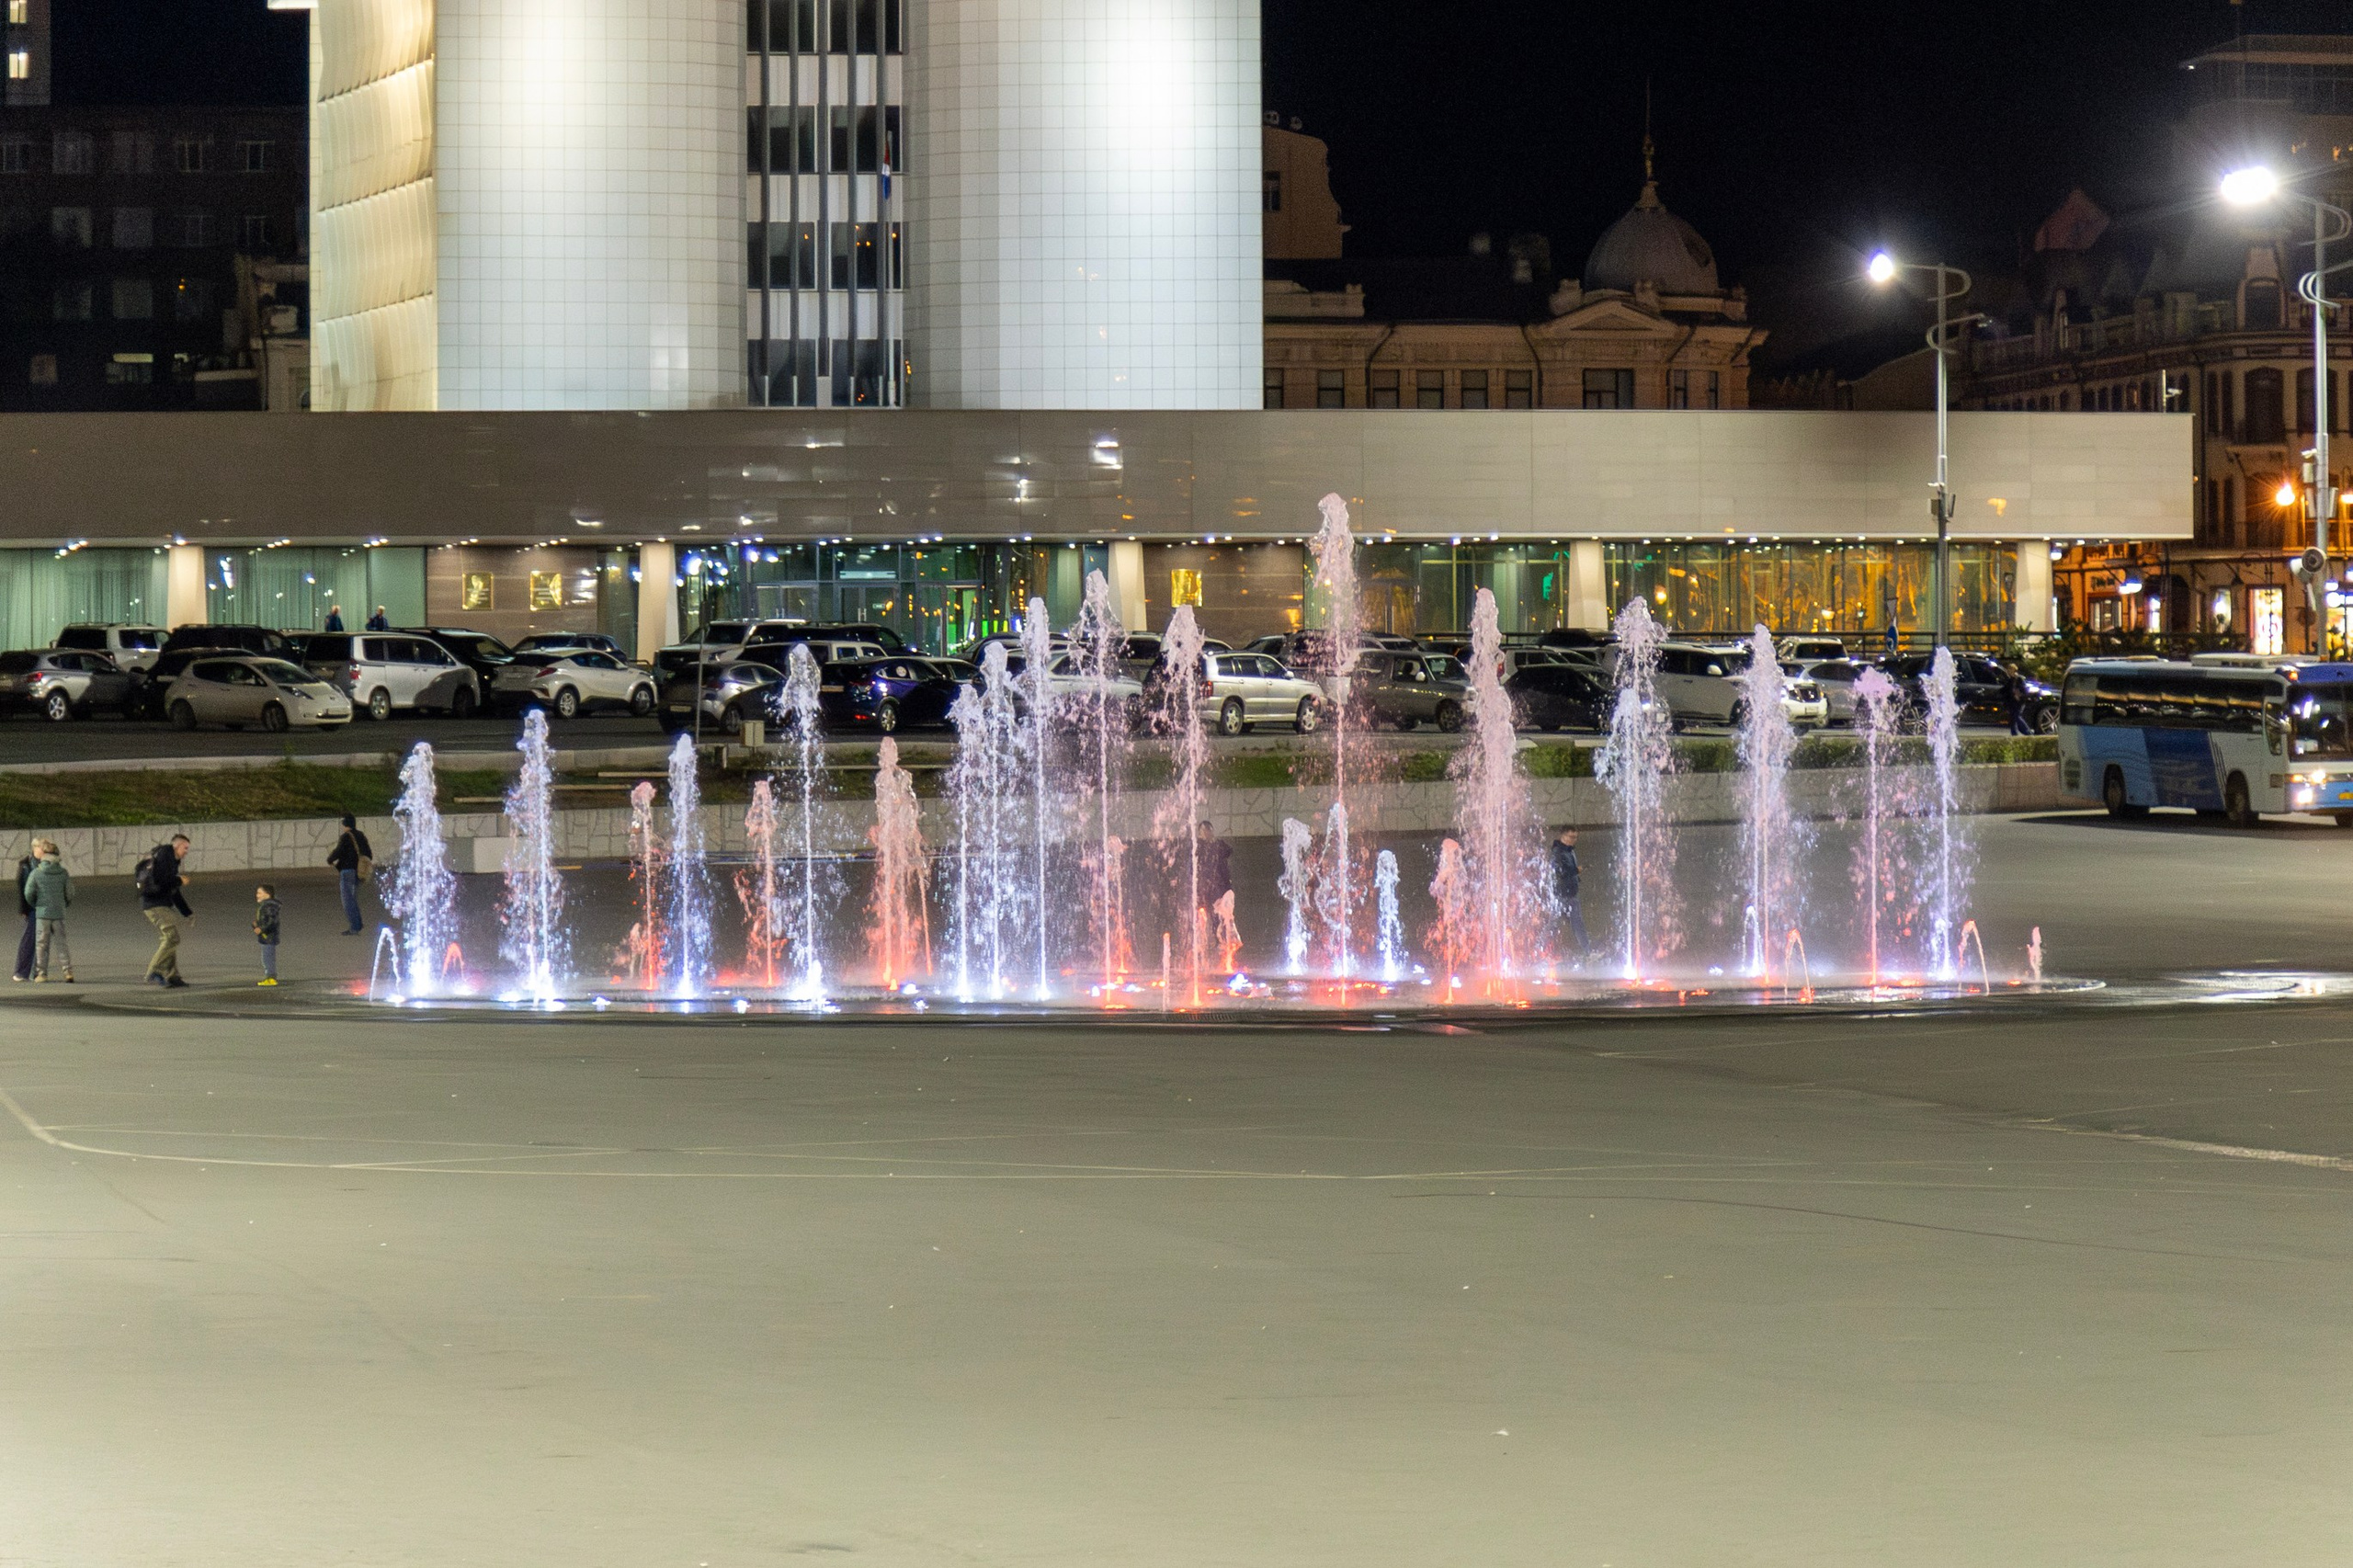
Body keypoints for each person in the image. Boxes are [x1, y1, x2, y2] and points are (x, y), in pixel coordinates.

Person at [139, 833, 193, 989]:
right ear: (176, 846)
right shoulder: (164, 857)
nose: (186, 851)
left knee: (169, 940)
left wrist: (186, 912)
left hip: (158, 903)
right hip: (154, 904)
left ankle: (172, 976)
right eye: (185, 847)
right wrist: (179, 880)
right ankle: (154, 971)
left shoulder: (170, 860)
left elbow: (172, 890)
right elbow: (161, 881)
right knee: (172, 938)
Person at [25, 839, 73, 983]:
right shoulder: (63, 873)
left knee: (41, 945)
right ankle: (67, 971)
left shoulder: (36, 873)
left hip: (43, 914)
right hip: (58, 913)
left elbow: (28, 893)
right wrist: (64, 904)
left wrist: (36, 905)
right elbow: (70, 893)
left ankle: (42, 973)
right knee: (62, 943)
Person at [328, 813, 373, 936]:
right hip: (359, 872)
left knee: (348, 901)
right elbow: (369, 853)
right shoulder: (361, 836)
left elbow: (338, 852)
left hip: (347, 871)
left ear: (346, 825)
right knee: (352, 899)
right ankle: (357, 922)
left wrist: (330, 859)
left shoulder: (346, 837)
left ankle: (355, 926)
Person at [1549, 825, 1590, 958]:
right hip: (1562, 894)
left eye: (1576, 837)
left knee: (1574, 923)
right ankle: (1587, 951)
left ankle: (1588, 951)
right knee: (1556, 924)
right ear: (1563, 836)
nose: (1574, 840)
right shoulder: (1558, 852)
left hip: (1569, 894)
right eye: (1571, 837)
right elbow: (1561, 872)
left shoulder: (1569, 851)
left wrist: (1576, 877)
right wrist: (1576, 871)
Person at [1194, 819, 1233, 911]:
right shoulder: (1198, 847)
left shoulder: (1218, 845)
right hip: (1203, 887)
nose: (1207, 834)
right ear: (1200, 834)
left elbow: (1229, 851)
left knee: (1218, 914)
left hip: (1218, 887)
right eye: (1204, 832)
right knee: (1203, 914)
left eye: (1209, 831)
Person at [10, 845, 33, 983]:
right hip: (31, 909)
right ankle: (21, 971)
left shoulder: (29, 866)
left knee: (40, 942)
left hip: (38, 908)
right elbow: (23, 891)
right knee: (28, 940)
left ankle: (36, 972)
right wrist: (24, 909)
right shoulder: (26, 867)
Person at [254, 883, 281, 985]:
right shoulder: (266, 905)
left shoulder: (269, 906)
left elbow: (272, 922)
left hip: (268, 937)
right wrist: (256, 925)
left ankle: (271, 978)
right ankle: (270, 977)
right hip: (266, 936)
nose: (257, 895)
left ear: (267, 894)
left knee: (268, 958)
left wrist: (261, 929)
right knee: (267, 958)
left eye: (260, 893)